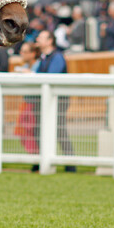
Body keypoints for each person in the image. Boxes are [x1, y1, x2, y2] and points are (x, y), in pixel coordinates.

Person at [33, 30, 75, 172]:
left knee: (59, 130)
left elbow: (51, 76)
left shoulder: (57, 57)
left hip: (58, 101)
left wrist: (32, 75)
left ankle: (70, 163)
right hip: (45, 100)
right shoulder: (43, 57)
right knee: (38, 129)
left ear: (50, 41)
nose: (37, 39)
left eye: (41, 37)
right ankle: (42, 160)